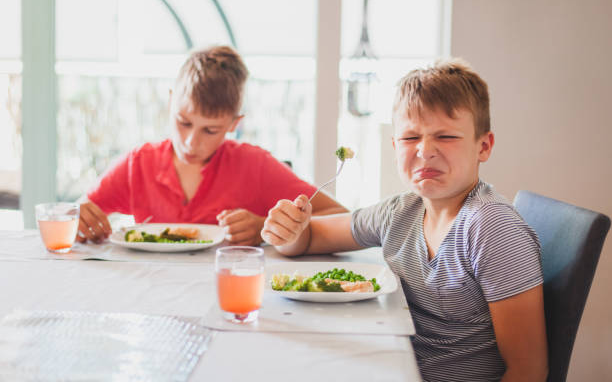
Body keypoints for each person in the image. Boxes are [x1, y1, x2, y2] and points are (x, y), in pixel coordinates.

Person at [261, 59, 548, 382]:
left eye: (446, 137)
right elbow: (310, 238)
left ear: (483, 146)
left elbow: (529, 371)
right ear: (395, 145)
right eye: (411, 138)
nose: (425, 151)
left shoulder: (490, 227)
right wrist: (290, 230)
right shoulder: (400, 211)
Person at [78, 45, 347, 245]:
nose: (191, 142)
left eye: (210, 130)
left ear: (234, 124)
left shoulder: (253, 166)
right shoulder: (138, 165)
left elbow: (340, 217)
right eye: (183, 122)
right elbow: (78, 214)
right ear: (171, 102)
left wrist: (267, 229)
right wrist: (80, 219)